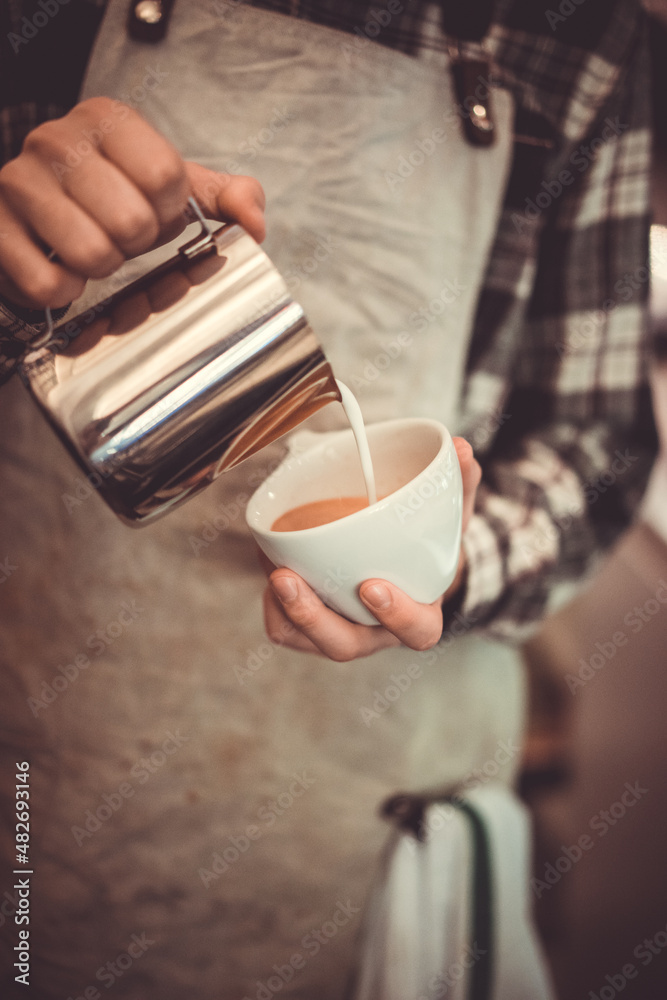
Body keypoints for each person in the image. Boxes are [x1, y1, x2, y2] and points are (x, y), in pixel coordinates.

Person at [0, 1, 656, 997]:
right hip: (50, 765)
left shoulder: (590, 35)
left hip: (361, 791)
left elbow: (593, 442)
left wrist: (447, 559)